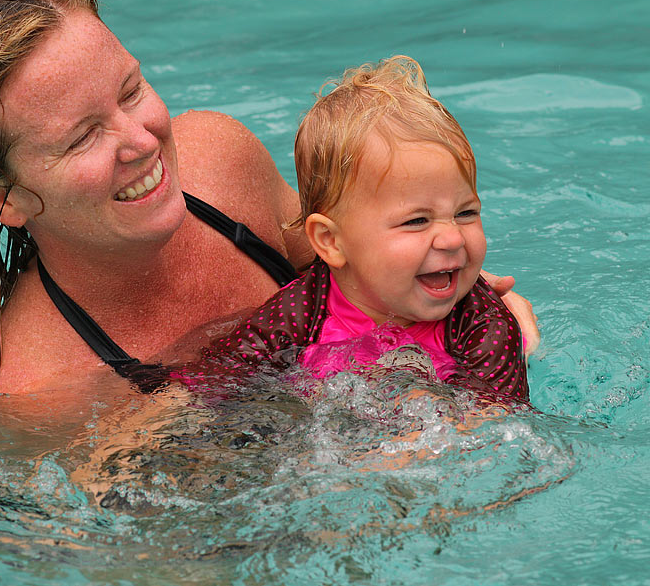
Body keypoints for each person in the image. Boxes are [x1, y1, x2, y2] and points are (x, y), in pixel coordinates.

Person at [0, 0, 537, 395]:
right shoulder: (32, 393)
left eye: (131, 91)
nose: (144, 139)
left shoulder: (218, 161)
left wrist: (478, 314)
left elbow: (364, 254)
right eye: (83, 137)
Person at [203, 56, 528, 399]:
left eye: (466, 213)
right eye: (417, 220)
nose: (452, 238)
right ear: (330, 242)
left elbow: (495, 423)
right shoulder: (300, 312)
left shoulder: (483, 324)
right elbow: (217, 380)